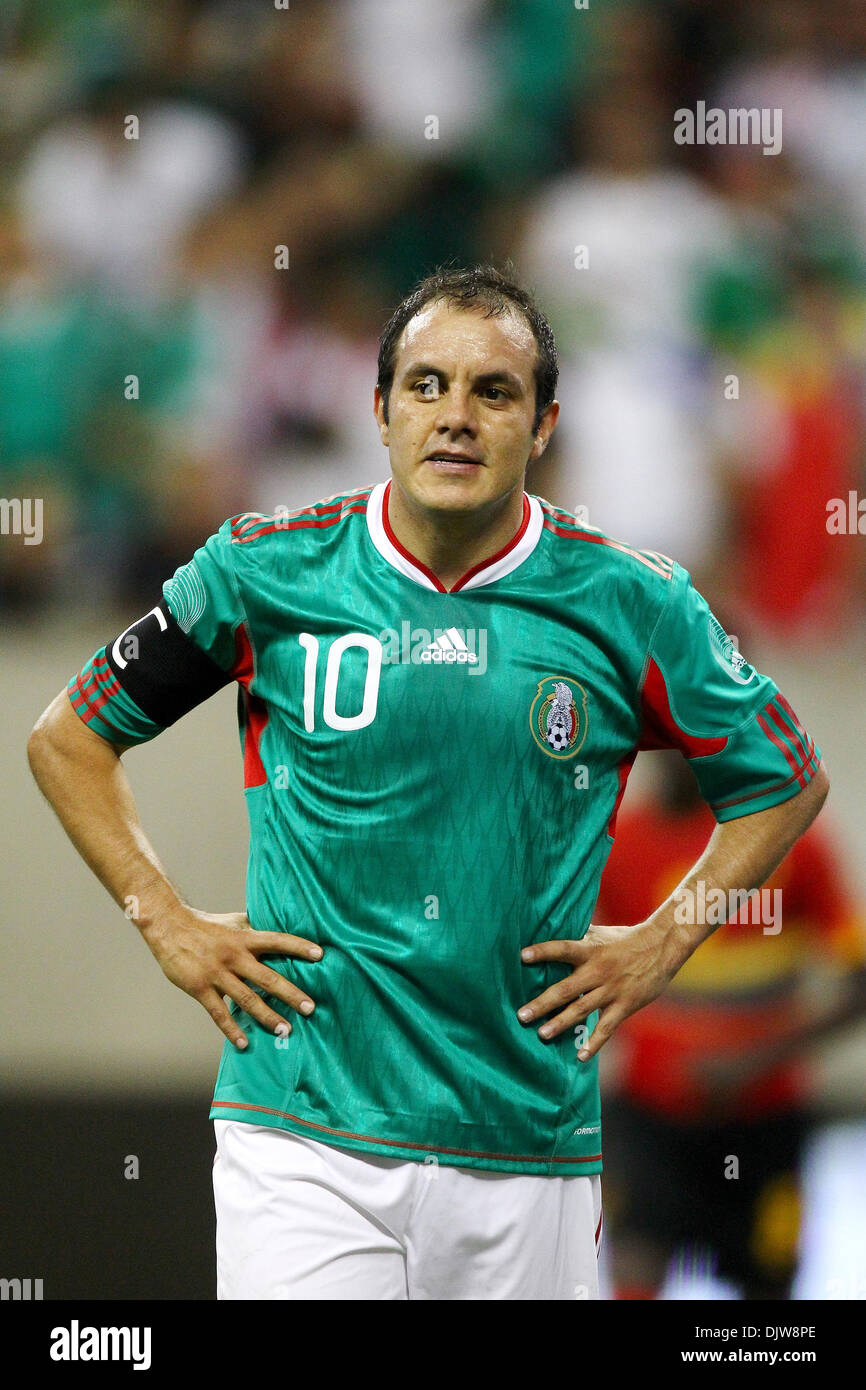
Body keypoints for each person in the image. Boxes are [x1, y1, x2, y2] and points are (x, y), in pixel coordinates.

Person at [27, 264, 829, 1301]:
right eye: (425, 385)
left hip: (527, 1141)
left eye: (492, 392)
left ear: (541, 426)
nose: (455, 417)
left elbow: (783, 778)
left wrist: (664, 942)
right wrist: (163, 919)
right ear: (378, 410)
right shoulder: (267, 571)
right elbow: (68, 739)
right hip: (303, 1129)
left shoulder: (630, 601)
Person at [594, 752, 866, 1299]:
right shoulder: (619, 843)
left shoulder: (790, 840)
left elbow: (858, 984)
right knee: (635, 1265)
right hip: (650, 1119)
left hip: (764, 1122)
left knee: (766, 1293)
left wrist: (751, 1063)